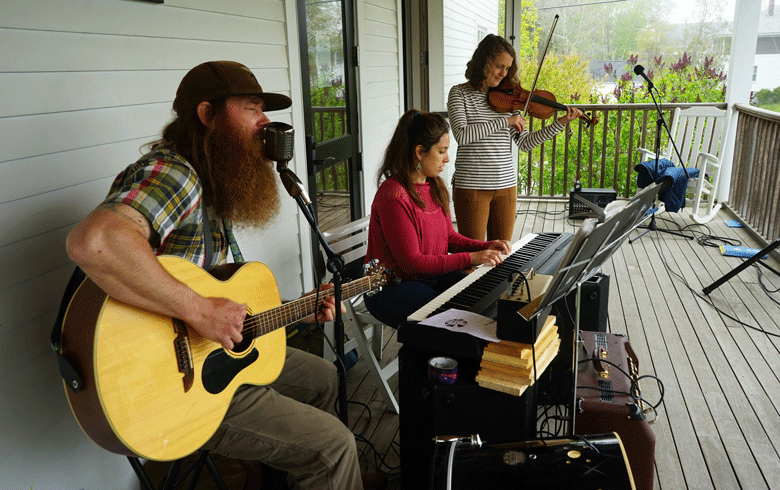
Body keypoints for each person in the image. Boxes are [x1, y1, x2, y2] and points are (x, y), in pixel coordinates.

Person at [65, 61, 383, 490]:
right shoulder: (176, 174)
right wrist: (199, 310)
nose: (265, 121)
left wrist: (299, 311)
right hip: (172, 390)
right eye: (252, 108)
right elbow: (95, 241)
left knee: (327, 378)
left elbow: (224, 305)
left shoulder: (213, 181)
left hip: (213, 358)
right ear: (207, 114)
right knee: (334, 448)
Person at [363, 109, 512, 328]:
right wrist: (473, 257)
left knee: (481, 299)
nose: (447, 158)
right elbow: (412, 263)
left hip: (428, 276)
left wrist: (487, 245)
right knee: (450, 320)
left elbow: (448, 237)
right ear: (420, 152)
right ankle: (432, 361)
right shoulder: (393, 195)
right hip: (389, 285)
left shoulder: (433, 185)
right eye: (441, 151)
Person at [448, 34, 584, 242]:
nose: (504, 74)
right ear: (483, 61)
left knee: (502, 256)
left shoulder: (509, 98)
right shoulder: (460, 94)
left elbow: (525, 143)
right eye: (499, 66)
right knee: (472, 257)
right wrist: (506, 122)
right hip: (472, 186)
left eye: (508, 69)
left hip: (506, 187)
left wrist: (561, 122)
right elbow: (462, 135)